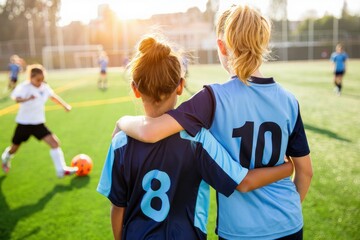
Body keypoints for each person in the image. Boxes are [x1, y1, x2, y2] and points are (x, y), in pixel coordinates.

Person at [114, 5, 313, 240]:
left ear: (221, 46)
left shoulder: (213, 98)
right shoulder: (289, 100)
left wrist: (122, 121)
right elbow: (306, 172)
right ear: (263, 45)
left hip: (240, 231)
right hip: (289, 223)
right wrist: (286, 210)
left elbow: (151, 132)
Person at [1, 64, 78, 178]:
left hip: (38, 124)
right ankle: (6, 157)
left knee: (55, 143)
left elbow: (53, 96)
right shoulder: (25, 87)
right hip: (24, 124)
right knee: (14, 149)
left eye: (42, 79)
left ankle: (61, 170)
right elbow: (16, 98)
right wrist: (27, 98)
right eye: (38, 80)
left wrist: (65, 105)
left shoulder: (44, 87)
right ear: (31, 78)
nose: (40, 82)